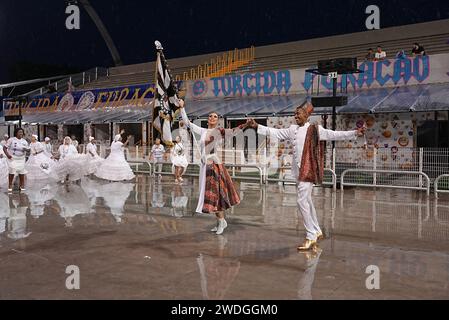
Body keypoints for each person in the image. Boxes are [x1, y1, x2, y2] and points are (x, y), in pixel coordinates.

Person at [247, 102, 365, 250]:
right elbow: (275, 132)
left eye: (299, 113)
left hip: (308, 170)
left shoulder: (315, 129)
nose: (296, 115)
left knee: (301, 201)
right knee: (307, 201)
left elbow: (334, 134)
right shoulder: (292, 129)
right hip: (298, 170)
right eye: (295, 113)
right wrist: (257, 126)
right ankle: (316, 230)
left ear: (307, 115)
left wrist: (354, 133)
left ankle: (310, 236)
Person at [179, 99, 247, 235]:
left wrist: (244, 125)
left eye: (215, 116)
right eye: (210, 116)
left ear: (218, 120)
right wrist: (182, 108)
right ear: (207, 119)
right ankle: (220, 222)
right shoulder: (203, 131)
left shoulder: (219, 131)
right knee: (209, 195)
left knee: (215, 194)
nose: (212, 118)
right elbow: (187, 123)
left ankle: (222, 221)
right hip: (205, 166)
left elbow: (233, 132)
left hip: (214, 165)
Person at [3, 128, 30, 192]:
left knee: (21, 171)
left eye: (22, 132)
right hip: (13, 158)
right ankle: (10, 185)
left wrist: (27, 150)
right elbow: (4, 148)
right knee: (12, 170)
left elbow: (28, 150)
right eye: (19, 132)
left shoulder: (24, 141)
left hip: (21, 158)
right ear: (16, 133)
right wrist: (7, 155)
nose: (21, 133)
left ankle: (22, 185)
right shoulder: (11, 140)